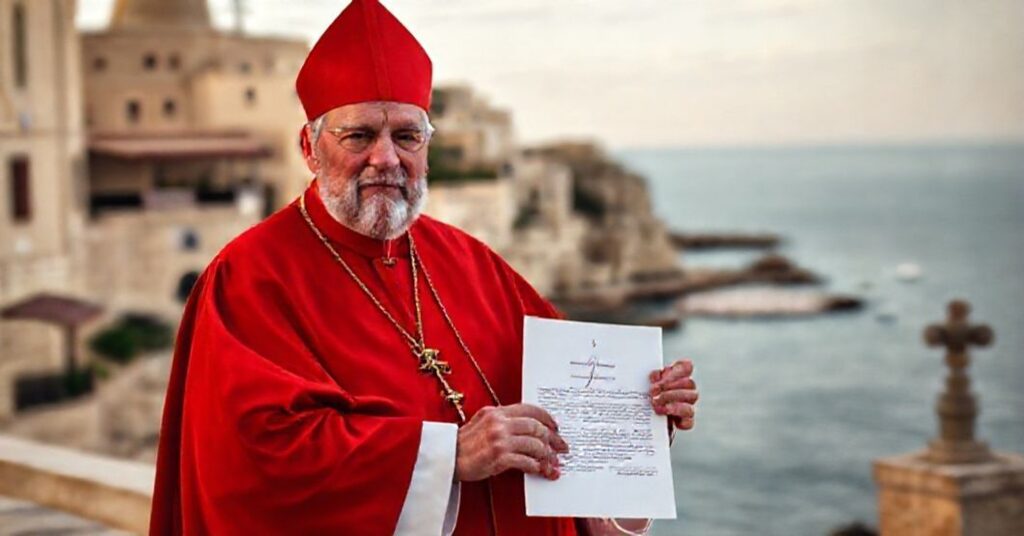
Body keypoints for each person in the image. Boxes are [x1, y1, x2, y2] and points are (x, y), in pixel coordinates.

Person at [149, 1, 699, 535]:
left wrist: (639, 419)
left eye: (407, 136)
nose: (386, 158)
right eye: (360, 135)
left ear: (427, 149)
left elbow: (571, 420)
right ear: (310, 148)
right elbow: (255, 461)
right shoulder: (248, 277)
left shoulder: (475, 265)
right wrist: (447, 456)